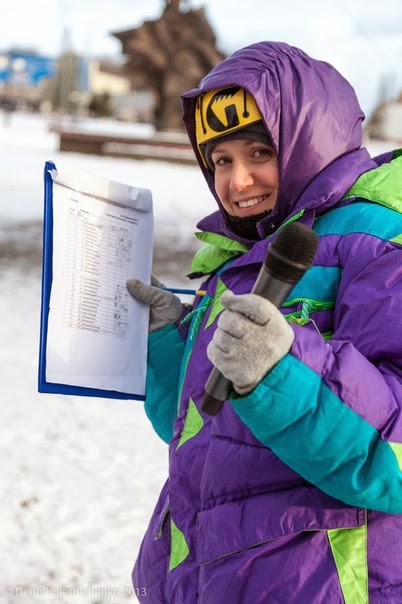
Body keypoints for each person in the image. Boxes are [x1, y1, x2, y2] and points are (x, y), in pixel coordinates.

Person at [127, 41, 402, 603]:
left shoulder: (379, 243)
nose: (238, 181)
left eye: (258, 153)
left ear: (309, 142)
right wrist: (166, 344)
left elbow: (393, 460)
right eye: (221, 160)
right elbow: (203, 428)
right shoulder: (237, 260)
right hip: (211, 578)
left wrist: (279, 373)